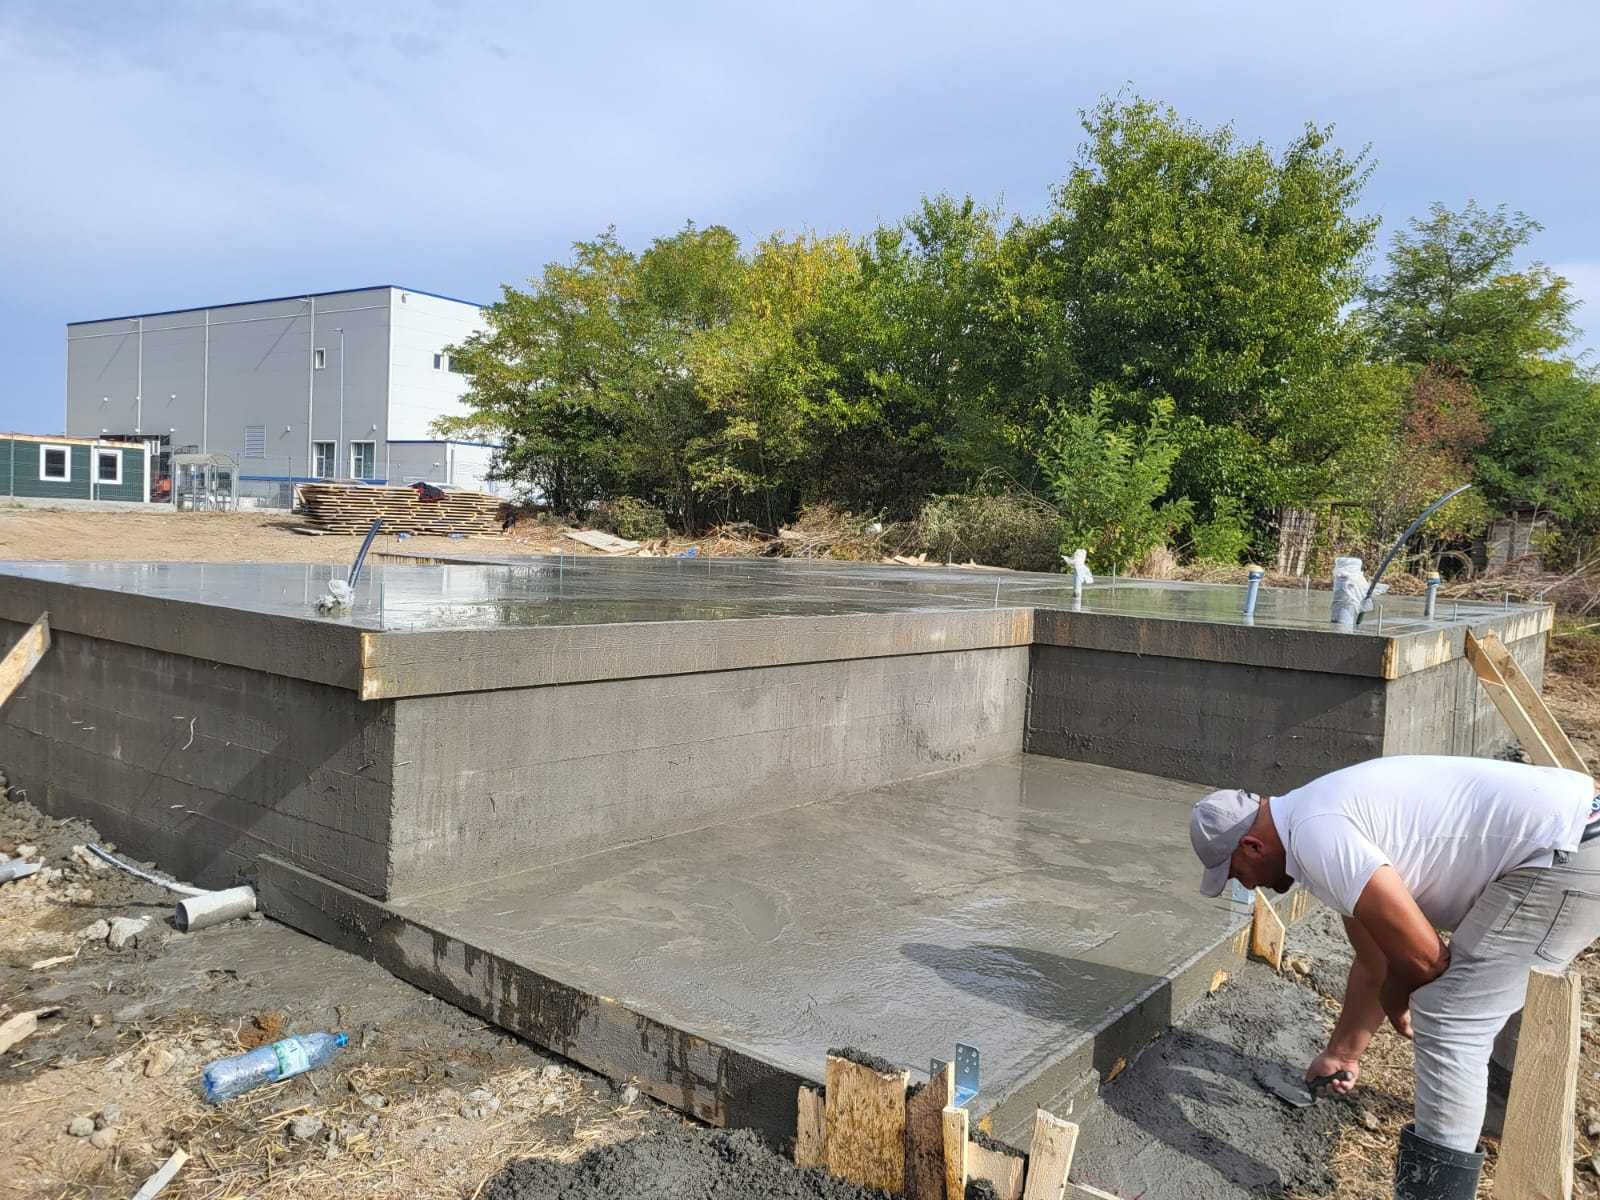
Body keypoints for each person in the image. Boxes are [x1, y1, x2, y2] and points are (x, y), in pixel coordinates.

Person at [1189, 754, 1598, 1199]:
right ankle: (1497, 1113)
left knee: (1450, 1016)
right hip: (1567, 836)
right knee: (1494, 979)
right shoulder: (1314, 822)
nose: (1246, 886)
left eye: (1235, 874)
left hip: (1567, 852)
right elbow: (1375, 961)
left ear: (1252, 846)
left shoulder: (1318, 836)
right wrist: (1343, 1053)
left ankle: (1435, 1192)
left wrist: (1397, 1000)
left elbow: (1425, 959)